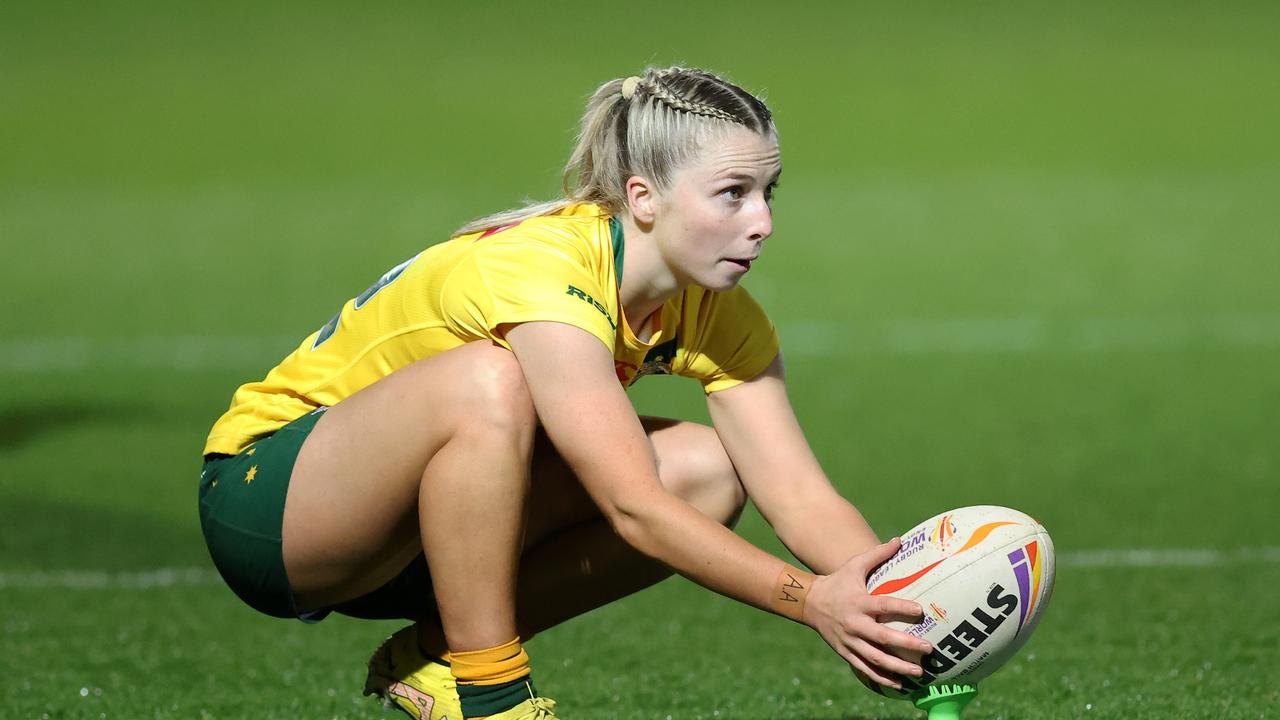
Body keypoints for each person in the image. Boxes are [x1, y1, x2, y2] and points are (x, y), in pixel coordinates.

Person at [198, 66, 932, 720]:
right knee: (492, 380)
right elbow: (630, 505)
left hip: (420, 544)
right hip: (272, 503)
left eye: (767, 192)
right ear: (643, 198)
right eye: (732, 194)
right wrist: (810, 603)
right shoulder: (546, 270)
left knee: (706, 473)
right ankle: (490, 696)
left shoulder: (718, 313)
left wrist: (898, 612)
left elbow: (801, 497)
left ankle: (432, 658)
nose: (762, 223)